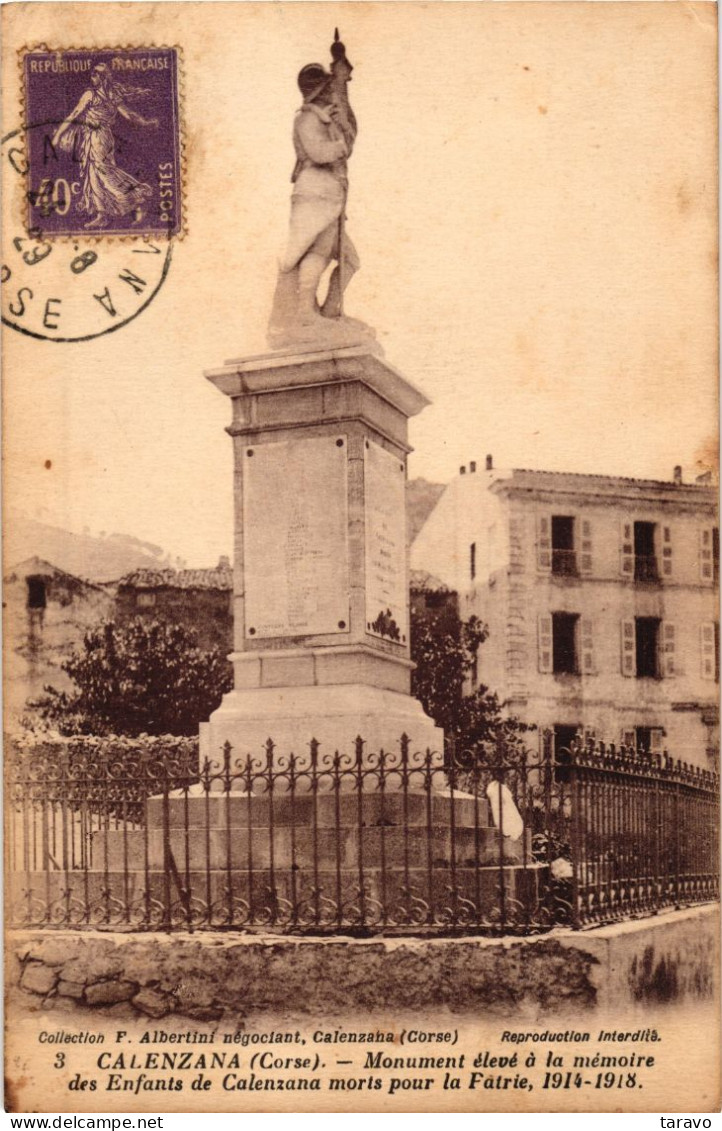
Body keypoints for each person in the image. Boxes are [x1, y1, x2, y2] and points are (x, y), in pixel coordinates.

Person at [267, 61, 372, 348]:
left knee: (349, 260)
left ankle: (329, 311)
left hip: (329, 194)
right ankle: (304, 312)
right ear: (319, 91)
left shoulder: (322, 118)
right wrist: (338, 145)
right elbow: (319, 153)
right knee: (317, 250)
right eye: (328, 89)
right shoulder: (306, 119)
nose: (332, 95)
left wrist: (336, 126)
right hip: (314, 191)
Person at [51, 64, 158, 230]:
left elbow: (74, 115)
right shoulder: (112, 94)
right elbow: (129, 115)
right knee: (94, 174)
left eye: (95, 76)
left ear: (102, 77)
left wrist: (58, 135)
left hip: (97, 137)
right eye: (92, 76)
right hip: (100, 137)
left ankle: (137, 195)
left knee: (103, 171)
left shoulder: (90, 94)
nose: (92, 79)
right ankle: (102, 215)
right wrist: (145, 122)